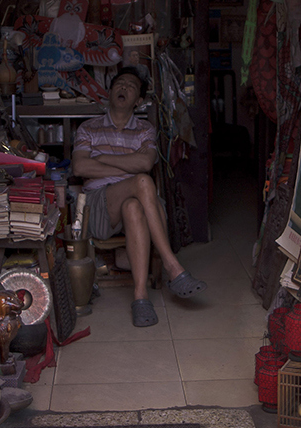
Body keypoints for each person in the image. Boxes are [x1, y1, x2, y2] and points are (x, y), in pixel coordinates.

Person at [72, 66, 206, 327]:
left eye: (130, 86)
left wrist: (102, 158)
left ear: (139, 101)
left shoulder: (145, 130)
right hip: (101, 207)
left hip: (139, 206)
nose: (123, 88)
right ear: (110, 93)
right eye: (119, 84)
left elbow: (146, 162)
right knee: (143, 182)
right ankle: (172, 267)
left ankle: (140, 297)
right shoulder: (88, 128)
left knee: (134, 205)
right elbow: (80, 167)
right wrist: (127, 165)